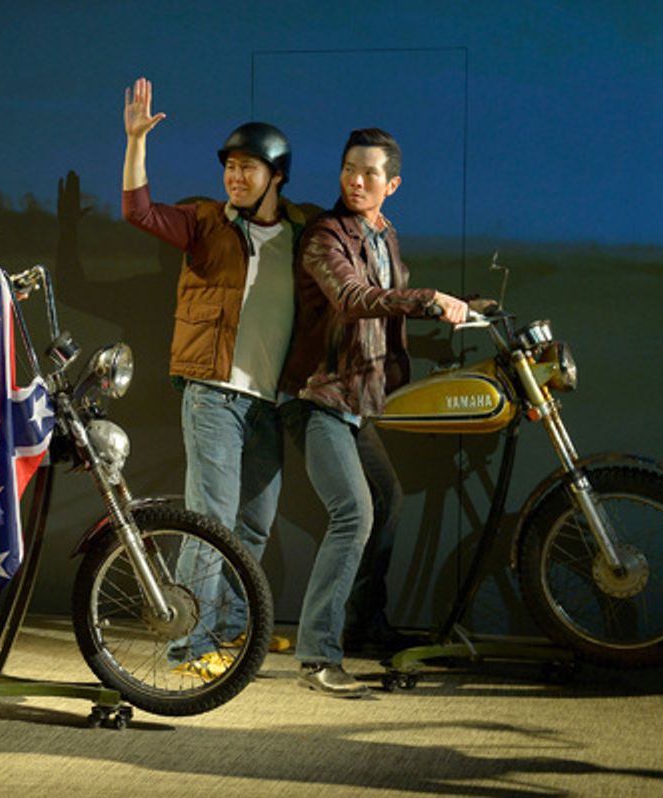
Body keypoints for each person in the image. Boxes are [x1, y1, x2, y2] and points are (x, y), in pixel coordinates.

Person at [121, 77, 303, 677]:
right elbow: (138, 211)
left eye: (248, 167)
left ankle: (229, 628)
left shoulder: (301, 235)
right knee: (210, 521)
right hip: (213, 397)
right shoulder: (204, 221)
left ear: (276, 174)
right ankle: (187, 644)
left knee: (252, 522)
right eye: (230, 165)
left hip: (267, 403)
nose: (235, 175)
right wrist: (136, 143)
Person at [279, 127, 468, 697]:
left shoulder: (383, 234)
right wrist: (428, 299)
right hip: (317, 397)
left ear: (393, 184)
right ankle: (317, 654)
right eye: (347, 170)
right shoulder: (325, 235)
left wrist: (463, 312)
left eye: (368, 174)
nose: (355, 181)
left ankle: (364, 625)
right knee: (354, 514)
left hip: (358, 404)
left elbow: (384, 319)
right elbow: (352, 299)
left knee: (387, 501)